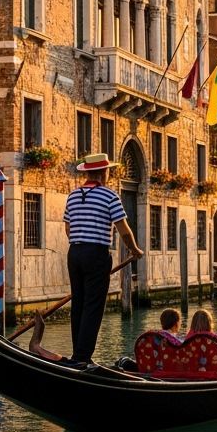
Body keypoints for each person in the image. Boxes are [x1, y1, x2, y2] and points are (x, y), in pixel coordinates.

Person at [63, 152, 143, 367]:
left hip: (75, 253)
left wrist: (81, 241)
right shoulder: (109, 196)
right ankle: (82, 357)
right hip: (96, 254)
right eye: (108, 170)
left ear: (88, 172)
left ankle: (76, 353)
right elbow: (124, 230)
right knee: (93, 305)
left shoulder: (72, 195)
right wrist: (135, 250)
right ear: (103, 173)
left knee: (78, 303)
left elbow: (68, 228)